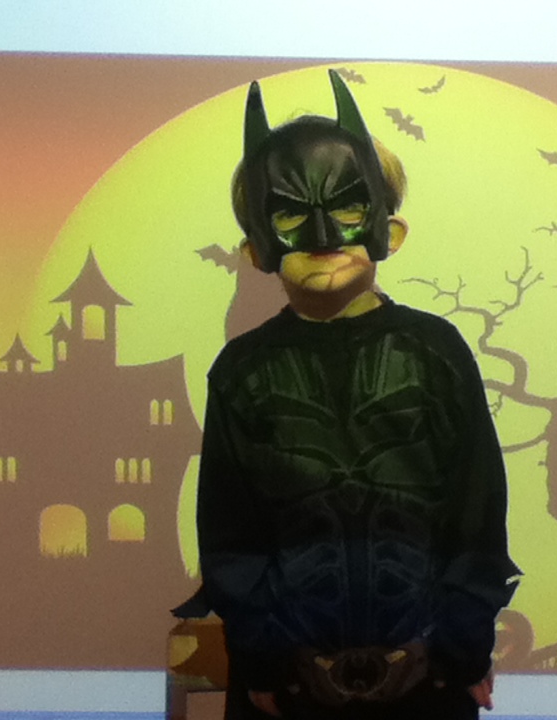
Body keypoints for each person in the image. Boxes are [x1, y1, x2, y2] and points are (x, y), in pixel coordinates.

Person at [195, 70, 520, 720]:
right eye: (290, 214)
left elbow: (476, 514)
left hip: (429, 682)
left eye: (347, 209)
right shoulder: (243, 370)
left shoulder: (435, 351)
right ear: (256, 247)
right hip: (286, 689)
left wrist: (463, 649)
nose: (322, 235)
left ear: (389, 230)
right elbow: (231, 536)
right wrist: (261, 659)